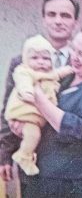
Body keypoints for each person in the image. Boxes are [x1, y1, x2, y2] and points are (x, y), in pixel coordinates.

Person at [11, 24, 82, 198]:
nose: (75, 58)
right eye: (74, 49)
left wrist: (39, 98)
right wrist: (22, 125)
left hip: (81, 184)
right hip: (43, 179)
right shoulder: (60, 82)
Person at [0, 0, 79, 189]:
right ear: (43, 19)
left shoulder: (81, 61)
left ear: (75, 22)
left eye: (66, 16)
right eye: (52, 15)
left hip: (72, 156)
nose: (58, 21)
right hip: (36, 155)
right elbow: (7, 108)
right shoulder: (21, 63)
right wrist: (4, 156)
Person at [4, 34, 73, 176]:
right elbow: (23, 82)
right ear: (25, 59)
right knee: (33, 135)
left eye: (46, 59)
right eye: (34, 58)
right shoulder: (24, 70)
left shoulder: (49, 73)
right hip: (24, 114)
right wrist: (27, 91)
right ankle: (24, 156)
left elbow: (57, 74)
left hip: (42, 123)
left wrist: (69, 69)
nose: (41, 62)